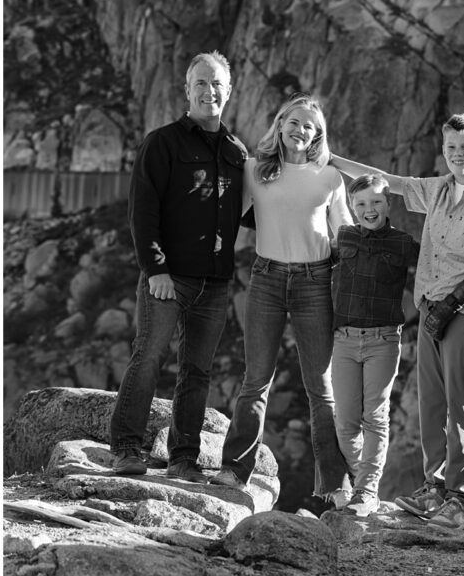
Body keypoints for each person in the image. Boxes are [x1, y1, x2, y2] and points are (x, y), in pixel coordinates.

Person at [331, 112, 464, 531]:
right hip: (432, 307)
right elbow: (386, 180)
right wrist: (332, 159)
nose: (457, 155)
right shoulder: (437, 189)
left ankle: (460, 499)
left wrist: (455, 301)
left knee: (460, 402)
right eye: (451, 147)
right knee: (431, 403)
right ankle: (433, 488)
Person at [110, 51, 248, 484]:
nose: (210, 91)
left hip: (215, 281)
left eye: (217, 84)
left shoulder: (236, 152)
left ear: (229, 91)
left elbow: (254, 211)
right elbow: (143, 212)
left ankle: (183, 457)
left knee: (197, 369)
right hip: (169, 277)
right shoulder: (162, 142)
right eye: (201, 84)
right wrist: (157, 270)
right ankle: (127, 447)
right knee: (149, 355)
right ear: (187, 91)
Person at [211, 93, 354, 509]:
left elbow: (343, 233)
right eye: (294, 122)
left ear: (317, 135)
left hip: (315, 281)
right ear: (280, 124)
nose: (300, 130)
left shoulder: (328, 177)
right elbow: (228, 218)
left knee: (320, 387)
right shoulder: (255, 171)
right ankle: (235, 471)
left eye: (309, 126)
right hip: (267, 278)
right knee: (256, 379)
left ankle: (334, 483)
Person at [331, 174, 419, 516]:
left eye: (377, 202)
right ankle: (359, 479)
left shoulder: (403, 242)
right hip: (344, 340)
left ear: (389, 204)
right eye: (362, 204)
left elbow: (433, 266)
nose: (370, 209)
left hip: (384, 340)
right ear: (352, 207)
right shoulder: (345, 236)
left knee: (375, 419)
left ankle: (367, 491)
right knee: (346, 422)